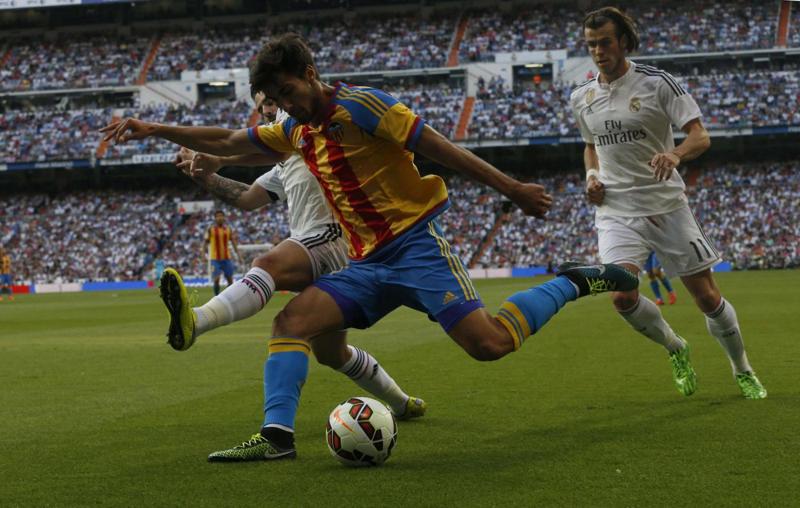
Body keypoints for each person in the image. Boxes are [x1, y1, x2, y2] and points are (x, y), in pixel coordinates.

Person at [101, 33, 638, 461]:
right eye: (278, 100)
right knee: (292, 321)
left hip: (418, 249)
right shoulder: (296, 131)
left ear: (310, 73)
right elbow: (227, 141)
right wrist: (153, 128)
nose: (286, 105)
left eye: (289, 91)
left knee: (490, 344)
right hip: (365, 263)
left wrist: (512, 188)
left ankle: (573, 281)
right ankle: (277, 437)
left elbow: (439, 147)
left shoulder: (363, 105)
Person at [160, 92, 425, 462]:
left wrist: (220, 155)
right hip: (327, 252)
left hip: (334, 237)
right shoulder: (285, 163)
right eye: (260, 106)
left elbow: (263, 143)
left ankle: (197, 321)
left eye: (272, 99)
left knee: (268, 264)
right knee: (330, 351)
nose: (267, 109)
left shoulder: (314, 130)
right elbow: (248, 198)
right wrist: (206, 176)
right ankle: (400, 402)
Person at [570, 7, 765, 399]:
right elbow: (591, 147)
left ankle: (742, 368)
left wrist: (675, 154)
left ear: (624, 42)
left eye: (605, 42)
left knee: (707, 298)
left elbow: (700, 136)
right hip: (616, 210)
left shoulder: (658, 83)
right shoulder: (582, 96)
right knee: (621, 296)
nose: (598, 51)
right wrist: (591, 177)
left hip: (665, 205)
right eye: (591, 45)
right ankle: (676, 347)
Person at [205, 210, 243, 295]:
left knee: (230, 280)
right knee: (216, 279)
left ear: (224, 217)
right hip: (215, 259)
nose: (220, 218)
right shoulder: (211, 230)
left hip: (226, 258)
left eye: (221, 216)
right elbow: (205, 242)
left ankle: (229, 297)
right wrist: (203, 255)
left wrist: (239, 256)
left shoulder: (228, 229)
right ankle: (216, 296)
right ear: (215, 218)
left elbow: (233, 243)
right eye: (218, 216)